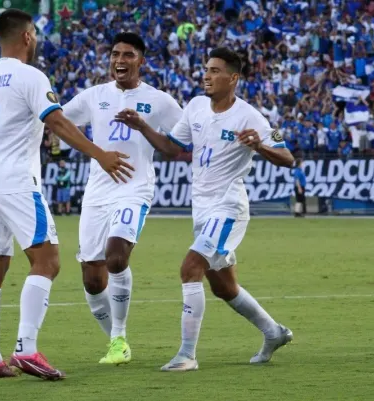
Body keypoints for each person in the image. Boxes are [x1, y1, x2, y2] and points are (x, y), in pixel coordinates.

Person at [0, 9, 133, 381]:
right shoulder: (31, 76)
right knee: (47, 260)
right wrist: (101, 154)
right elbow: (57, 121)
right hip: (17, 182)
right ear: (28, 36)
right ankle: (26, 349)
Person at [116, 47, 295, 372]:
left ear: (233, 78)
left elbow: (288, 156)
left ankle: (187, 355)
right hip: (202, 210)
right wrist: (142, 127)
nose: (207, 76)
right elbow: (173, 147)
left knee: (190, 267)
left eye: (215, 71)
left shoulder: (251, 116)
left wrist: (260, 145)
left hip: (228, 208)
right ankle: (274, 332)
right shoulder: (196, 107)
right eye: (206, 70)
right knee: (223, 286)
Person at [62, 32, 183, 365]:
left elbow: (176, 147)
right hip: (98, 192)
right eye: (115, 54)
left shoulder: (159, 101)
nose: (120, 60)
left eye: (128, 55)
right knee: (91, 277)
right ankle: (117, 342)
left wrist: (143, 127)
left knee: (116, 257)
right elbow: (58, 121)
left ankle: (118, 337)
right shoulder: (93, 96)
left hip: (134, 188)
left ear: (141, 60)